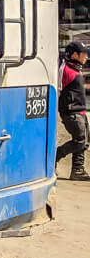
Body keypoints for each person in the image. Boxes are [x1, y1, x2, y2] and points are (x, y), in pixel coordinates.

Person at [57, 41, 90, 181]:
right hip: (71, 112)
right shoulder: (64, 69)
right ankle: (55, 155)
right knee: (80, 141)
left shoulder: (76, 68)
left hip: (81, 112)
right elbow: (58, 89)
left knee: (85, 141)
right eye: (84, 54)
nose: (86, 57)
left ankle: (78, 169)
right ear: (75, 55)